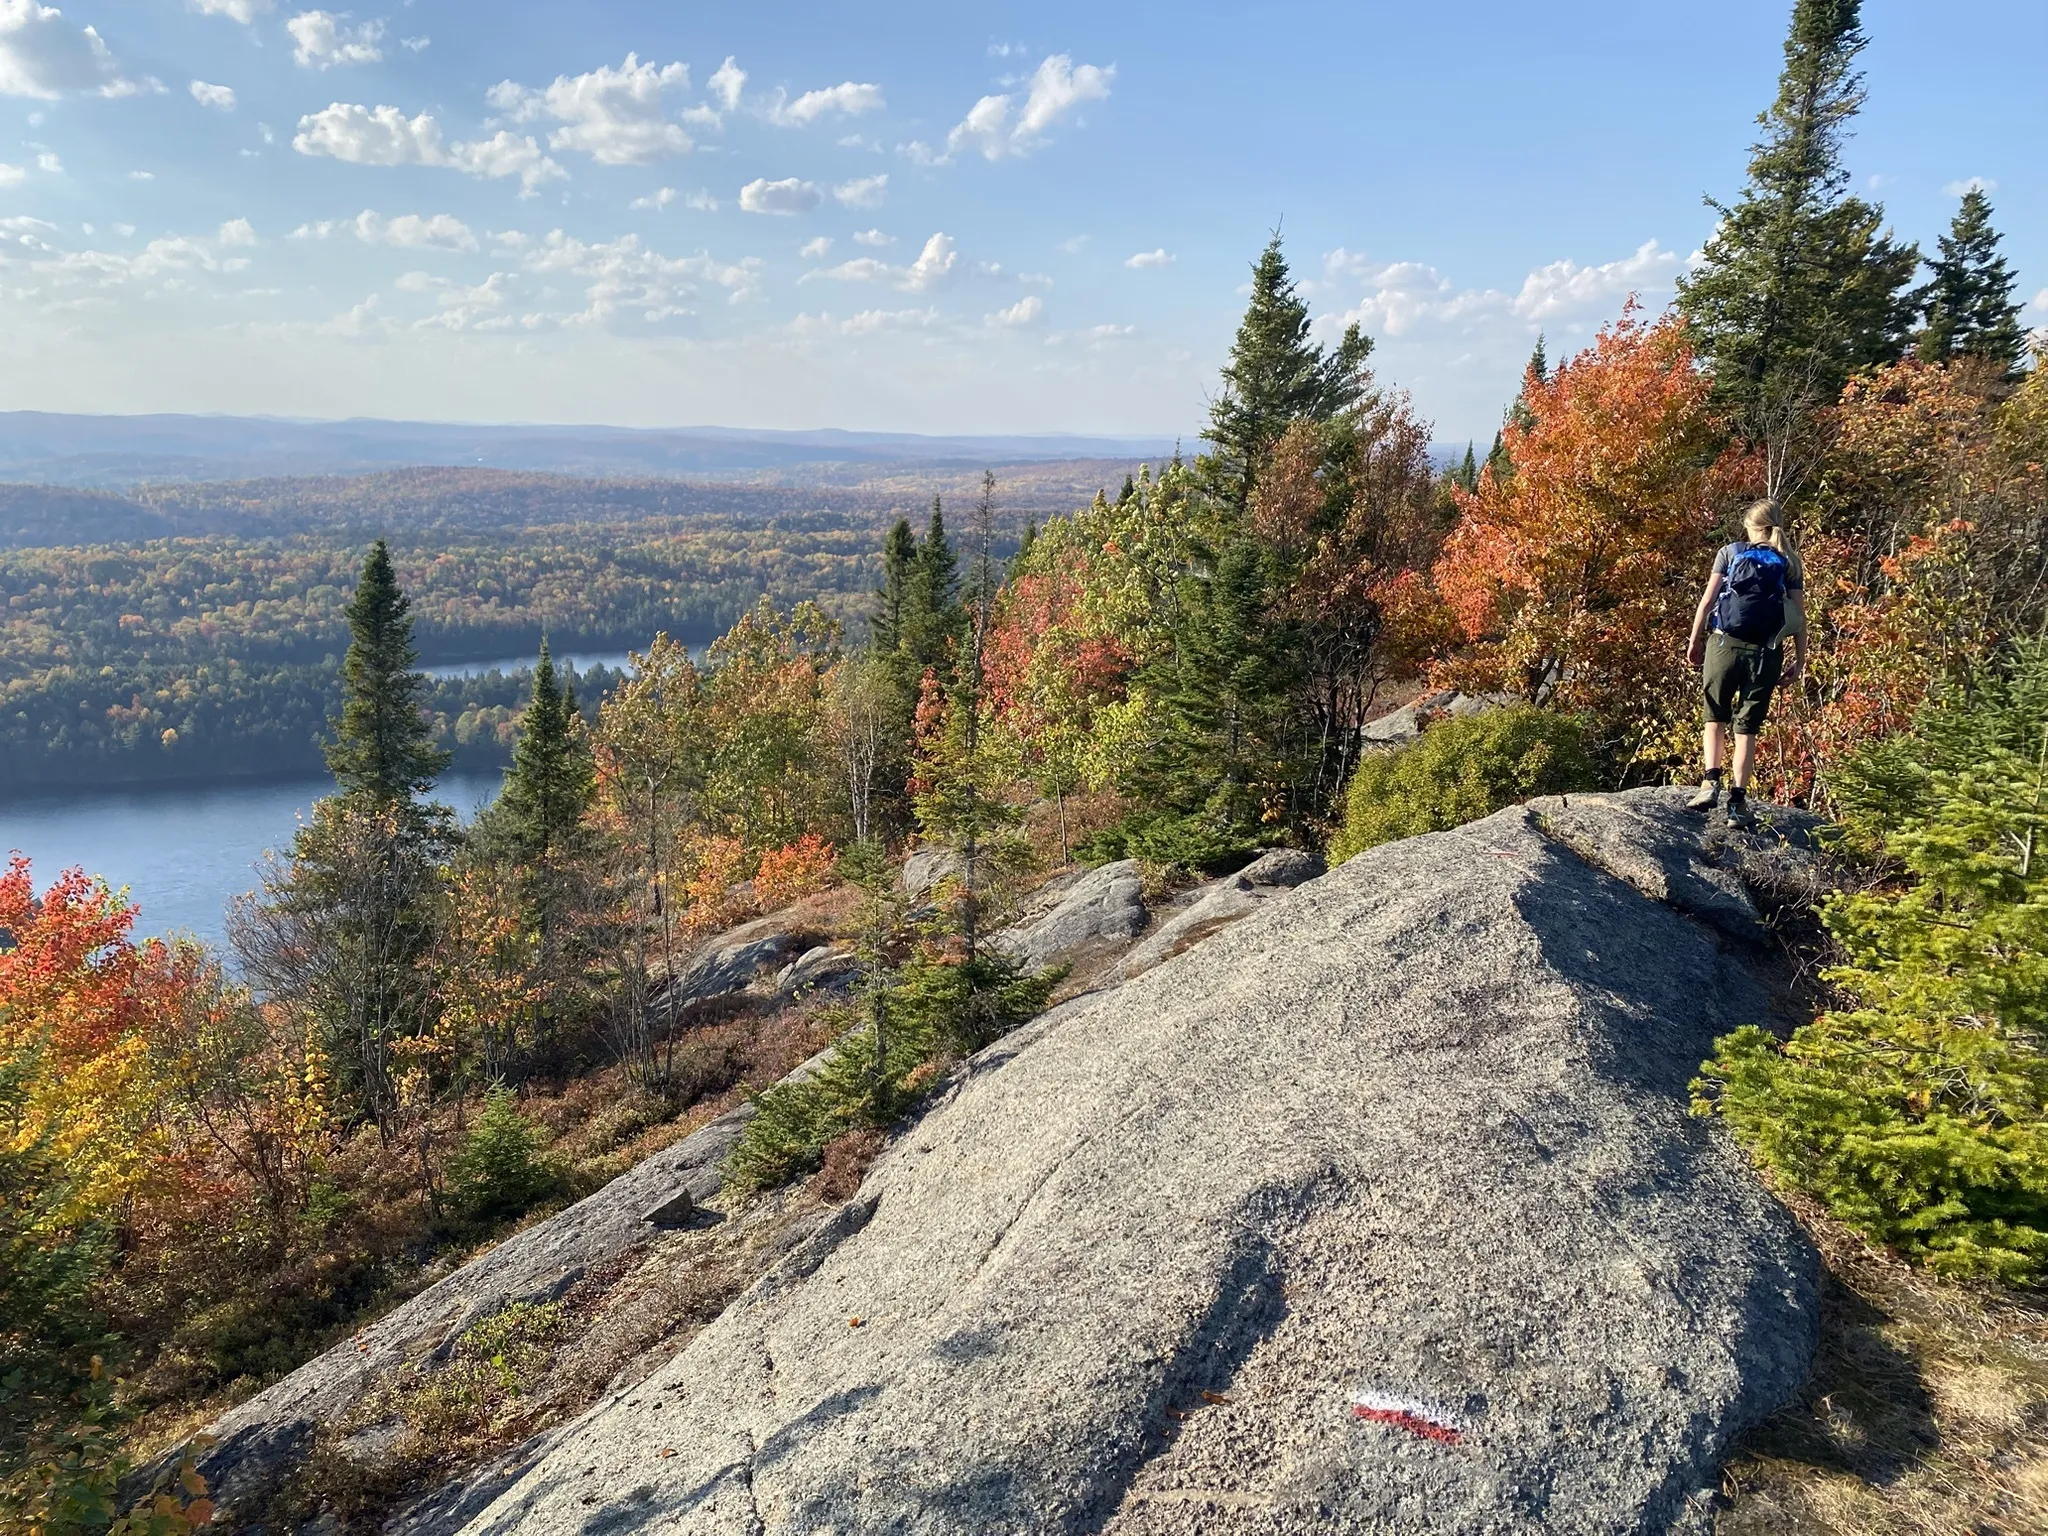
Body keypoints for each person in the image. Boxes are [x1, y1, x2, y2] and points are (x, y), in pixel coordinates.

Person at [1684, 499, 1807, 827]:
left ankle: (1710, 784)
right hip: (1766, 653)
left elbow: (1707, 601)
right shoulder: (1790, 562)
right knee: (1747, 728)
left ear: (1750, 526)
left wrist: (1695, 640)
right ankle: (1737, 805)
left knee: (1715, 716)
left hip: (1724, 645)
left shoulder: (1730, 553)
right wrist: (1800, 660)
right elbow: (1799, 618)